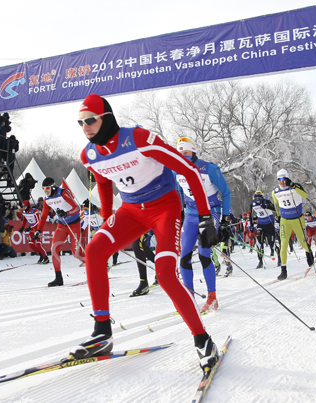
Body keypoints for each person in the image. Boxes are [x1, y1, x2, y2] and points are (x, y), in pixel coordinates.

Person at [72, 94, 219, 369]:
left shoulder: (139, 139)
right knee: (94, 251)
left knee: (164, 273)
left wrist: (205, 218)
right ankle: (102, 331)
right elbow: (103, 182)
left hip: (164, 207)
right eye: (80, 123)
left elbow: (188, 170)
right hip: (130, 211)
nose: (85, 127)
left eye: (90, 120)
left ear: (106, 118)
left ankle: (202, 339)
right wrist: (107, 220)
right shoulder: (89, 154)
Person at [174, 137, 231, 313]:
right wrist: (180, 212)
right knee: (184, 256)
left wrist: (225, 220)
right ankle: (189, 299)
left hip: (209, 212)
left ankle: (212, 298)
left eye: (186, 153)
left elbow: (226, 192)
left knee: (204, 254)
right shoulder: (177, 171)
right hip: (191, 215)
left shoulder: (209, 169)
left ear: (193, 151)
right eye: (180, 153)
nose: (184, 156)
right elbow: (178, 193)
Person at [34, 177, 85, 286]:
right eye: (43, 189)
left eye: (47, 188)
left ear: (52, 186)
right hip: (62, 225)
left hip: (74, 224)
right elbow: (43, 217)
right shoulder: (47, 199)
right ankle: (58, 278)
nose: (45, 190)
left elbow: (77, 208)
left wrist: (66, 213)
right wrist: (38, 230)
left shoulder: (63, 192)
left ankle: (96, 265)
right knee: (54, 249)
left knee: (76, 254)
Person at [272, 169, 314, 281]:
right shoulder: (275, 191)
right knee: (283, 245)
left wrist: (294, 186)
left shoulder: (295, 187)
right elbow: (277, 204)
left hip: (297, 219)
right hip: (285, 221)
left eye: (283, 179)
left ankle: (309, 252)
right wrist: (277, 215)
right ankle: (283, 271)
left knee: (303, 242)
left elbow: (305, 195)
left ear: (287, 178)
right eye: (279, 179)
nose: (281, 181)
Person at [249, 190, 279, 269]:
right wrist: (251, 225)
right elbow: (250, 215)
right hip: (261, 224)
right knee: (259, 243)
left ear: (262, 197)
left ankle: (280, 258)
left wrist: (267, 206)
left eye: (259, 197)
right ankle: (260, 261)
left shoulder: (267, 201)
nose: (258, 198)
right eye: (256, 197)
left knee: (271, 243)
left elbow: (275, 209)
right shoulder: (253, 204)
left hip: (269, 224)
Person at [130, 231, 156, 297]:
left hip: (141, 223)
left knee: (137, 244)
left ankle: (144, 282)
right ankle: (162, 269)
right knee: (142, 246)